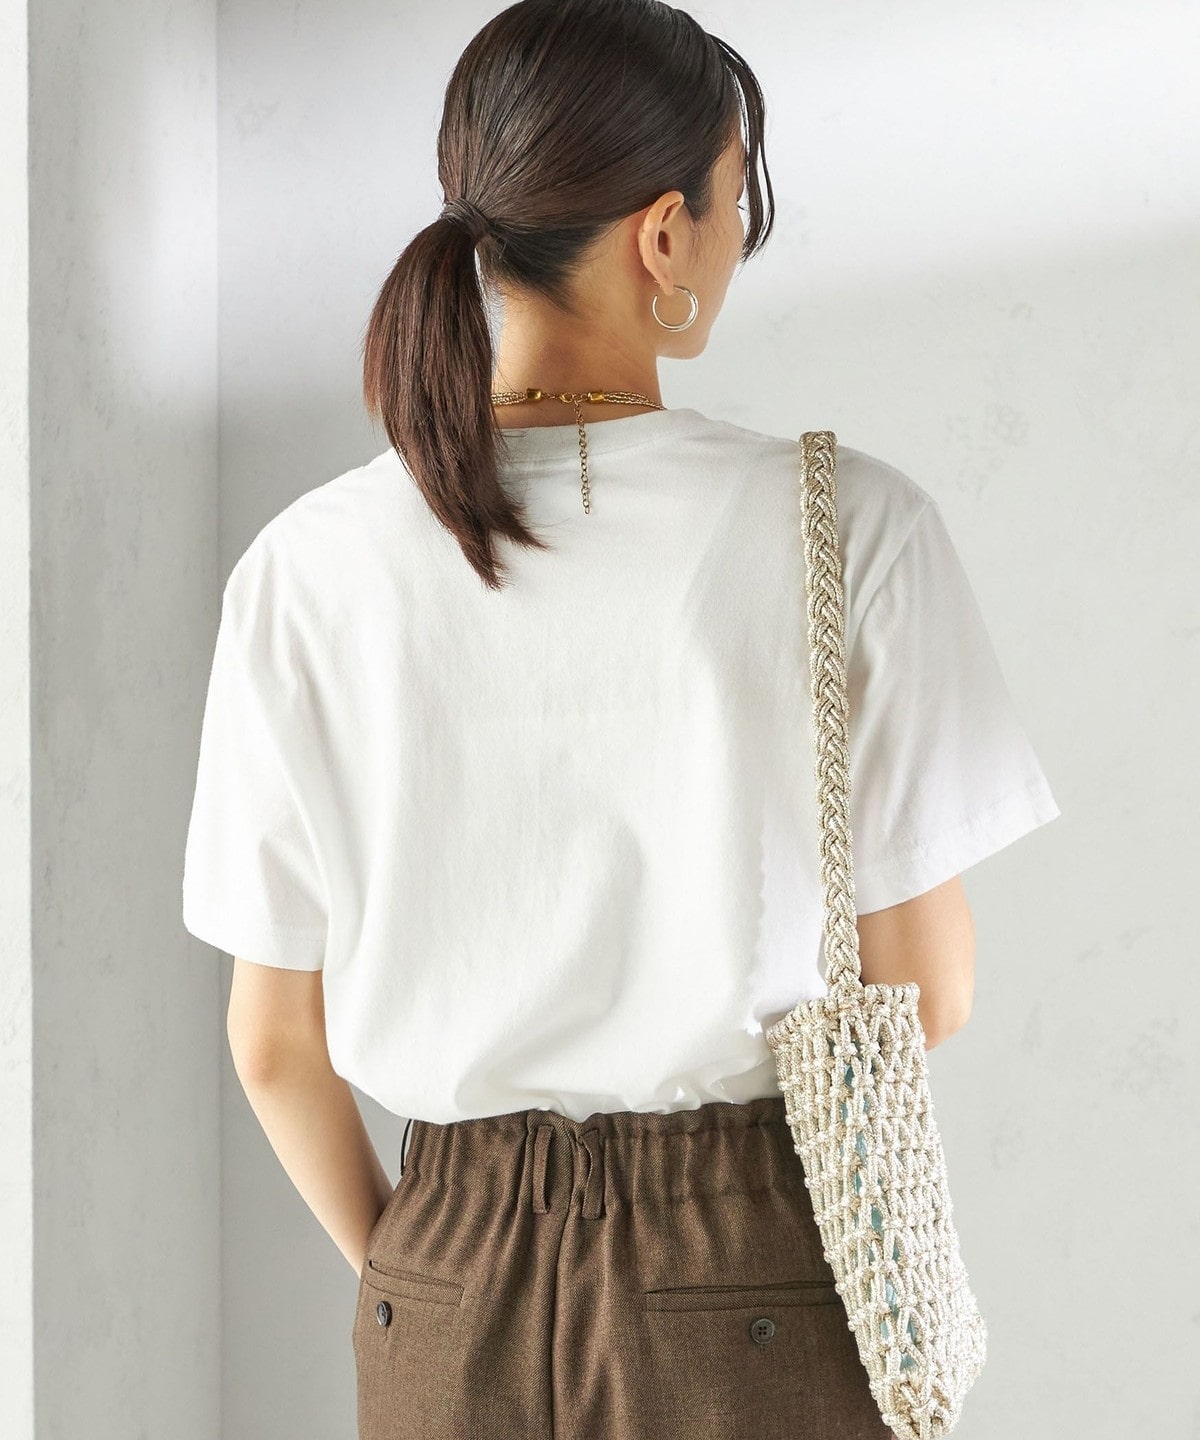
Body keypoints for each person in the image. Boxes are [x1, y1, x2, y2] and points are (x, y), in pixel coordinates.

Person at [180, 1, 1061, 1436]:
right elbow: (927, 993)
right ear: (663, 235)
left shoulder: (303, 566)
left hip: (443, 1276)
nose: (735, 244)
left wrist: (434, 1274)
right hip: (747, 1269)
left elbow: (275, 1043)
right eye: (734, 202)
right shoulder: (854, 529)